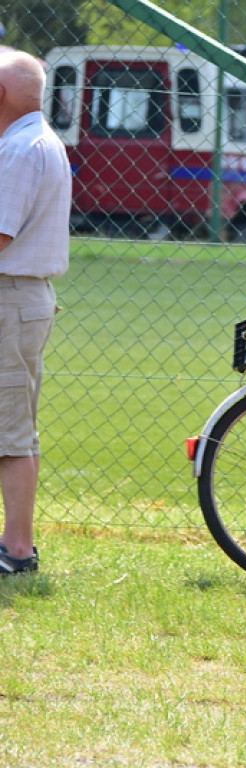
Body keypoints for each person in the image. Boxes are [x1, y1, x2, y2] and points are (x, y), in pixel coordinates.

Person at [0, 50, 72, 575]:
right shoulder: (32, 140)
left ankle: (18, 550)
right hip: (20, 298)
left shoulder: (21, 150)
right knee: (13, 425)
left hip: (11, 298)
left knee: (11, 432)